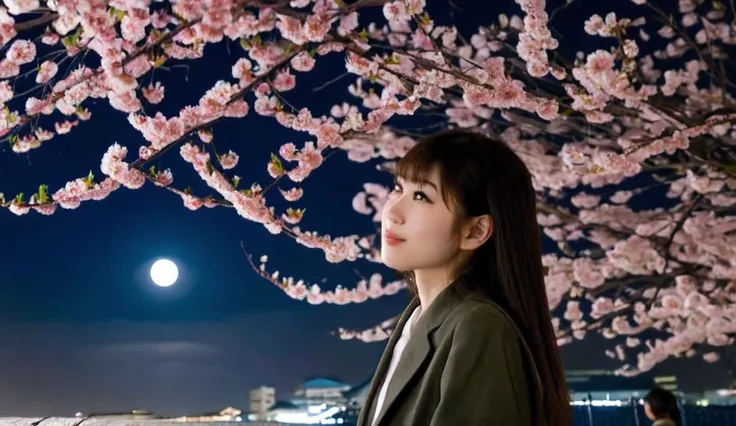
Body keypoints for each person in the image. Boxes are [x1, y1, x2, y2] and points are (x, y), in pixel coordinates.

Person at [357, 129, 571, 426]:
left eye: (421, 196)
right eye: (398, 188)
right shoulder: (419, 318)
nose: (392, 212)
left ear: (475, 231)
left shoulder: (479, 326)